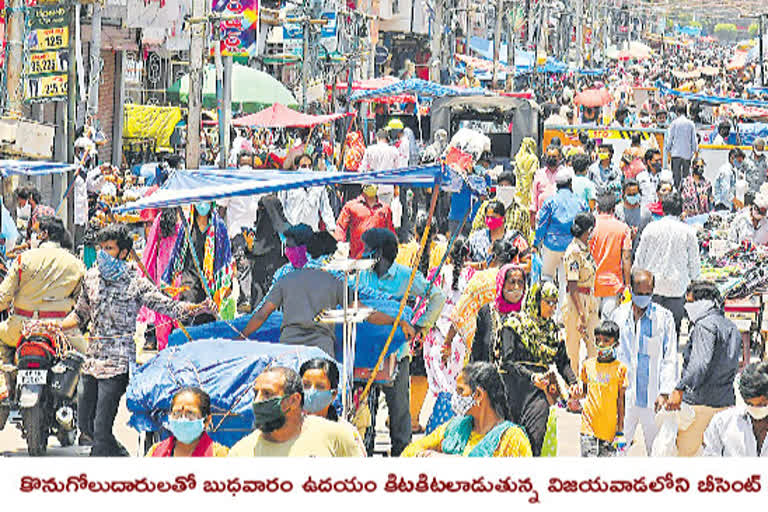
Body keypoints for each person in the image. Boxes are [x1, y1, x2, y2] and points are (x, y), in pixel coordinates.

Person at [60, 223, 212, 456]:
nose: (102, 253)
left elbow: (167, 305)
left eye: (109, 248)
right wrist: (54, 325)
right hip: (91, 361)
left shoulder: (136, 283)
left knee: (100, 430)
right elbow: (80, 314)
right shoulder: (90, 278)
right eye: (101, 247)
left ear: (123, 252)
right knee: (85, 426)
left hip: (118, 364)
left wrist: (196, 308)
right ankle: (120, 454)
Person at [355, 228, 445, 456]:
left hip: (397, 354)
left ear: (380, 253)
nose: (363, 253)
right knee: (363, 414)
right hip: (365, 353)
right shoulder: (361, 274)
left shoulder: (406, 276)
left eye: (368, 250)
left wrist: (421, 326)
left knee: (399, 412)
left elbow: (437, 296)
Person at [475, 279, 578, 456]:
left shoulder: (553, 331)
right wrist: (531, 377)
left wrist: (574, 382)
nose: (553, 307)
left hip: (538, 394)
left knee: (533, 443)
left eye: (555, 302)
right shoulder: (514, 325)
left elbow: (562, 362)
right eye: (548, 302)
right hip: (512, 392)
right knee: (505, 444)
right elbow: (507, 361)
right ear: (536, 301)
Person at [0, 217, 85, 403]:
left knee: (2, 341)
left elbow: (3, 298)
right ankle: (82, 413)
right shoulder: (75, 264)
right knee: (86, 362)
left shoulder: (24, 259)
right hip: (62, 331)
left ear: (44, 234)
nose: (33, 237)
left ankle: (5, 385)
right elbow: (83, 305)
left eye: (36, 233)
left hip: (21, 328)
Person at [665, 281, 741, 457]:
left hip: (701, 404)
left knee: (685, 455)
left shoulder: (705, 325)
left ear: (704, 302)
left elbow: (700, 364)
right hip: (725, 402)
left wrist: (680, 388)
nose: (687, 307)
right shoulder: (732, 327)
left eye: (690, 302)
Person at [401, 362, 533, 457]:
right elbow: (409, 452)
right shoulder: (455, 427)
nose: (455, 397)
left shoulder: (511, 439)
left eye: (460, 391)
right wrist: (427, 456)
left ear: (478, 395)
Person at [229, 367, 366, 456]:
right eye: (255, 393)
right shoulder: (240, 453)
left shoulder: (337, 437)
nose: (257, 401)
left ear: (294, 400)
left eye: (267, 394)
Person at [612, 269, 678, 455]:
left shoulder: (664, 318)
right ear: (631, 290)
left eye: (648, 293)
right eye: (639, 294)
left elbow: (670, 357)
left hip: (653, 399)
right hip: (624, 399)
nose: (643, 298)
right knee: (618, 451)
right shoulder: (618, 316)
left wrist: (665, 392)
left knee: (656, 452)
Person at [634, 191, 701, 337]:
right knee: (673, 331)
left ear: (663, 209)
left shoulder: (650, 229)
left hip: (653, 287)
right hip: (676, 289)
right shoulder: (688, 232)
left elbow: (639, 261)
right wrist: (694, 285)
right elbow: (694, 265)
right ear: (681, 210)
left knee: (651, 331)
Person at [163, 201, 235, 322]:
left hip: (209, 290)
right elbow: (177, 255)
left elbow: (225, 261)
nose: (202, 205)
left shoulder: (219, 228)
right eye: (199, 201)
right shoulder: (187, 226)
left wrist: (223, 287)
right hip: (188, 286)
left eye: (206, 200)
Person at [533, 167, 588, 306]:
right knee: (566, 280)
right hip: (572, 248)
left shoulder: (550, 202)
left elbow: (542, 224)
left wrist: (535, 242)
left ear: (557, 185)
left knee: (547, 277)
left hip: (551, 246)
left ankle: (546, 309)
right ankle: (561, 316)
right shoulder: (580, 202)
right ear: (570, 184)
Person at [574, 320, 629, 457]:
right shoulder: (588, 365)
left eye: (606, 340)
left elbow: (621, 402)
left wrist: (620, 431)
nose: (601, 344)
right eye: (598, 340)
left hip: (609, 432)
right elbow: (584, 393)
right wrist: (575, 394)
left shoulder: (620, 369)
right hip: (588, 429)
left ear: (616, 343)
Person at [299, 358, 369, 455]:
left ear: (334, 394)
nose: (311, 392)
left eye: (320, 386)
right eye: (306, 385)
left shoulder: (345, 432)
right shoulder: (287, 429)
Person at [702, 361, 768, 456]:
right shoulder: (722, 423)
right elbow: (710, 458)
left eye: (762, 404)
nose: (757, 410)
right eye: (750, 404)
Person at [137, 209, 181, 351]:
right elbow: (151, 249)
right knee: (174, 317)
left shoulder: (162, 219)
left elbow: (150, 250)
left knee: (165, 317)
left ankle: (165, 353)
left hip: (166, 275)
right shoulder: (175, 219)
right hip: (175, 276)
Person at [562, 212, 599, 376]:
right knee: (573, 349)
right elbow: (572, 283)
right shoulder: (574, 252)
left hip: (589, 299)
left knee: (594, 344)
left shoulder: (584, 249)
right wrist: (581, 313)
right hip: (575, 301)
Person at [146, 387, 229, 457]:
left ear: (206, 420)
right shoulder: (155, 452)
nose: (182, 419)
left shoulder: (219, 455)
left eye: (190, 413)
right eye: (177, 413)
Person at [590, 193, 631, 321]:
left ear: (597, 208)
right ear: (614, 209)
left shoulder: (590, 228)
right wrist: (628, 284)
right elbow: (626, 258)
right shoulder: (623, 228)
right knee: (608, 325)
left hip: (591, 283)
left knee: (591, 324)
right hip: (613, 284)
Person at [471, 171, 532, 246]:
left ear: (513, 188)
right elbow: (475, 230)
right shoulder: (486, 206)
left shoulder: (521, 212)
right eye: (501, 185)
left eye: (507, 186)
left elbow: (525, 238)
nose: (504, 188)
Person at [334, 184, 395, 259]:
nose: (371, 184)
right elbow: (340, 227)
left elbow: (390, 232)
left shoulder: (385, 208)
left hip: (377, 259)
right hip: (356, 258)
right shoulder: (351, 206)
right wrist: (340, 244)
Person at [358, 129, 399, 206]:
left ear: (377, 138)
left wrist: (363, 185)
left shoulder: (369, 150)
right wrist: (396, 188)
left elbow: (362, 169)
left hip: (372, 189)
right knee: (385, 213)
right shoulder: (394, 151)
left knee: (372, 213)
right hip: (387, 187)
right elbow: (397, 171)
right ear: (387, 139)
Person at [664, 99, 697, 188]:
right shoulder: (691, 124)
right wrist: (695, 151)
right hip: (687, 155)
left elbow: (670, 139)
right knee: (686, 180)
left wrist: (668, 150)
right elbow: (694, 141)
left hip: (676, 154)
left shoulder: (674, 123)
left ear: (677, 111)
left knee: (676, 179)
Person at [615, 178, 652, 258]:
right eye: (629, 195)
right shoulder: (618, 211)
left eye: (634, 194)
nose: (632, 197)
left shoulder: (645, 213)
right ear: (623, 194)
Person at [467, 200, 508, 264]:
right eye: (487, 217)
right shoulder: (476, 238)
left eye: (493, 217)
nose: (489, 220)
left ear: (503, 218)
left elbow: (527, 264)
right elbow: (465, 260)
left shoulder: (513, 238)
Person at [530, 145, 563, 221]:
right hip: (542, 218)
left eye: (554, 157)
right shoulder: (539, 174)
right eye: (549, 156)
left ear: (560, 157)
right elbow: (534, 196)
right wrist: (532, 217)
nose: (551, 159)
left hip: (560, 219)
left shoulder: (564, 174)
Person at [513, 138, 539, 211]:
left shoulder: (518, 157)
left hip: (519, 185)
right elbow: (534, 172)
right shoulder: (534, 159)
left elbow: (515, 171)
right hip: (529, 186)